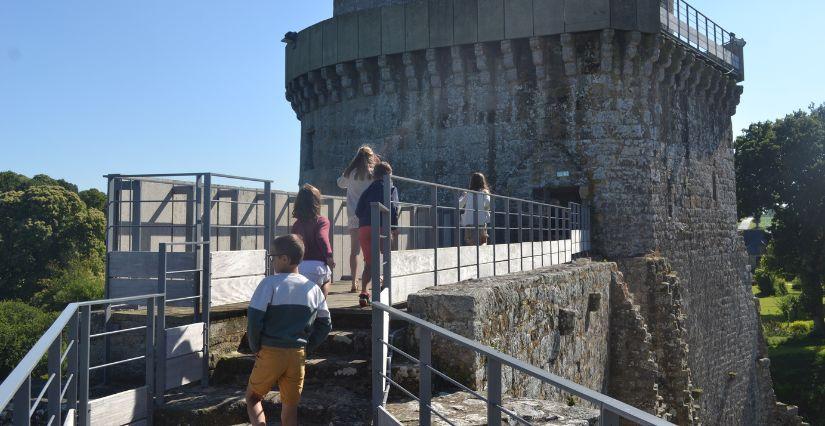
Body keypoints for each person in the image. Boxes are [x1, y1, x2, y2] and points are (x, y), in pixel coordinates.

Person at [245, 234, 332, 426]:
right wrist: (308, 346)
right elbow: (326, 324)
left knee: (253, 398)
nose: (272, 260)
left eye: (273, 256)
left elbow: (254, 319)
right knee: (290, 407)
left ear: (285, 258)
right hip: (297, 355)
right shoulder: (314, 289)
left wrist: (255, 345)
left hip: (270, 351)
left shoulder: (269, 283)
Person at [354, 161, 398, 307]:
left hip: (364, 229)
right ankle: (383, 292)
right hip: (381, 227)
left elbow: (358, 210)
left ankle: (364, 292)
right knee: (386, 260)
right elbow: (393, 207)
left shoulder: (368, 189)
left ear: (374, 175)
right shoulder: (391, 188)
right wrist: (394, 227)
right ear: (388, 175)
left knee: (369, 263)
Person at [337, 146, 379, 293]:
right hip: (370, 216)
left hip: (354, 216)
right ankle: (376, 277)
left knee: (354, 250)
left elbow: (340, 183)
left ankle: (354, 282)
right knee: (373, 249)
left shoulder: (352, 173)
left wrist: (347, 170)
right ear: (371, 157)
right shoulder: (374, 174)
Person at [291, 184, 335, 298]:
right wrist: (329, 256)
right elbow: (322, 237)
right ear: (316, 202)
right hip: (317, 267)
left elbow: (293, 243)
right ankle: (321, 303)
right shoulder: (322, 221)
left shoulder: (296, 224)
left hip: (299, 268)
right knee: (327, 279)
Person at [459, 172, 492, 245]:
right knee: (482, 242)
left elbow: (459, 205)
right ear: (483, 181)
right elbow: (488, 205)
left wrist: (462, 196)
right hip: (481, 222)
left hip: (469, 222)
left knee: (470, 243)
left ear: (472, 182)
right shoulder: (484, 193)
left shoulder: (468, 193)